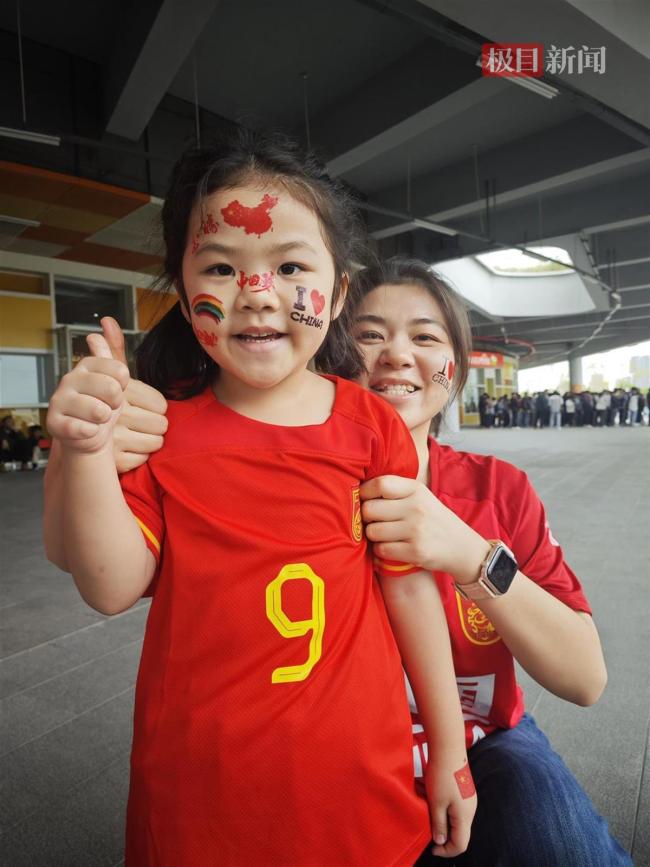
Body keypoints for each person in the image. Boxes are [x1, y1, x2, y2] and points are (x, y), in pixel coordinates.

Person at [94, 256, 631, 866]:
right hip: (324, 754)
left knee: (557, 843)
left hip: (482, 743)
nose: (397, 355)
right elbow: (112, 576)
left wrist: (470, 555)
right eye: (369, 335)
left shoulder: (497, 491)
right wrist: (90, 454)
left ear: (455, 369)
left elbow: (585, 679)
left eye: (426, 337)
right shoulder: (265, 482)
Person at [43, 132, 474, 866]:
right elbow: (112, 586)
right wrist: (84, 450)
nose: (257, 291)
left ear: (339, 291)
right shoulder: (162, 432)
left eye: (290, 265)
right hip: (199, 803)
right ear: (184, 292)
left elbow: (410, 594)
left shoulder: (371, 425)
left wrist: (449, 750)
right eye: (220, 265)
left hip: (356, 793)